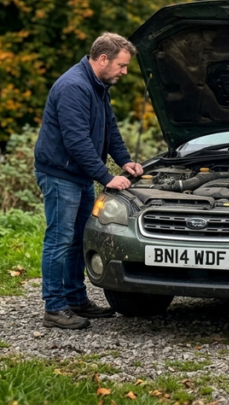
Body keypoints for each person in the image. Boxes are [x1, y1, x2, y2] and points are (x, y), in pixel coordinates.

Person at [33, 32, 145, 329]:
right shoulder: (74, 86)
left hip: (79, 174)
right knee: (59, 240)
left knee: (77, 240)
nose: (124, 72)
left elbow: (109, 128)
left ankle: (76, 300)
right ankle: (54, 308)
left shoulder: (98, 86)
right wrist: (107, 177)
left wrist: (124, 161)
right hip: (60, 175)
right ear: (103, 59)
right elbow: (77, 141)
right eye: (122, 65)